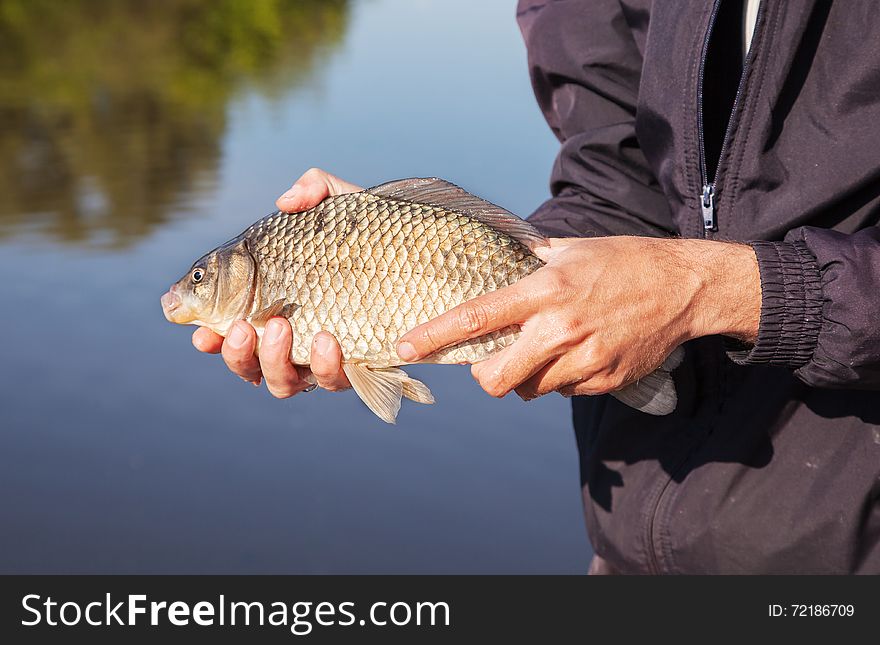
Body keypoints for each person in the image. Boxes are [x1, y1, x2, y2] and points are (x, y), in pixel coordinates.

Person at [193, 0, 880, 573]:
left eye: (198, 282)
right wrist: (405, 260)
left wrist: (725, 290)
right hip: (630, 548)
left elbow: (700, 274)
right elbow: (614, 173)